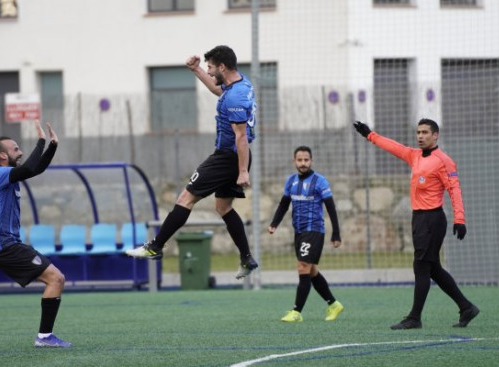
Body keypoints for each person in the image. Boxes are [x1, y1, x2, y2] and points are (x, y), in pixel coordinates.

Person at [127, 45, 259, 280]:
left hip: (227, 158)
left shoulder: (236, 96)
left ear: (222, 66)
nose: (209, 72)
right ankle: (246, 258)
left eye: (210, 67)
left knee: (185, 199)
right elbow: (219, 91)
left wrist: (242, 172)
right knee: (223, 207)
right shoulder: (240, 84)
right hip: (234, 156)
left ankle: (155, 247)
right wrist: (196, 69)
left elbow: (240, 137)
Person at [352, 119, 479, 330]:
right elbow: (396, 147)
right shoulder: (415, 155)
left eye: (425, 132)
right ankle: (466, 307)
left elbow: (454, 189)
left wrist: (460, 219)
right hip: (419, 219)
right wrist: (370, 135)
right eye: (418, 132)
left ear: (435, 135)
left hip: (433, 220)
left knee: (421, 266)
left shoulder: (444, 160)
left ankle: (414, 318)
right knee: (433, 268)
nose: (420, 136)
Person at [0, 121, 71, 348]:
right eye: (15, 149)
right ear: (2, 155)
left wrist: (52, 146)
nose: (20, 152)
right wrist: (41, 141)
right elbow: (30, 168)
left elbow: (36, 169)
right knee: (56, 278)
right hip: (4, 245)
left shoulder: (6, 175)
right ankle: (44, 338)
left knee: (56, 279)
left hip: (6, 245)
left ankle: (45, 337)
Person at [268, 146, 344, 322]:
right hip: (299, 231)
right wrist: (274, 224)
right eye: (299, 160)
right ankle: (333, 304)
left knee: (303, 266)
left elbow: (331, 208)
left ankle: (296, 312)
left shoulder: (320, 181)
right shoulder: (291, 181)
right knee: (311, 271)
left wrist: (336, 233)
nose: (303, 163)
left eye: (306, 160)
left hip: (314, 230)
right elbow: (284, 204)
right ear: (294, 161)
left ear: (311, 161)